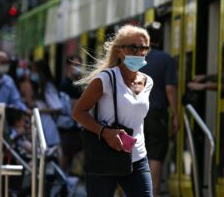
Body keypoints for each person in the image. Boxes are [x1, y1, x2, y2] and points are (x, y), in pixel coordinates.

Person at [72, 25, 153, 197]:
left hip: (137, 158)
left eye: (144, 48)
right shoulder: (106, 79)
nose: (139, 53)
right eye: (133, 47)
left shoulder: (148, 82)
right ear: (119, 52)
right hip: (104, 156)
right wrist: (105, 132)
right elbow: (78, 112)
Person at [140, 22, 179, 196]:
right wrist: (176, 115)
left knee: (136, 153)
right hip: (157, 115)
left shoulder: (135, 58)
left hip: (135, 115)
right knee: (155, 154)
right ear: (161, 38)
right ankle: (152, 191)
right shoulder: (166, 59)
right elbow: (170, 89)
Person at [59, 55, 84, 175]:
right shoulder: (64, 85)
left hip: (78, 126)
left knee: (73, 156)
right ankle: (59, 181)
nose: (78, 68)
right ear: (68, 66)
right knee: (65, 156)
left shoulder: (80, 84)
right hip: (67, 128)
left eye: (79, 65)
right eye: (75, 65)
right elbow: (75, 104)